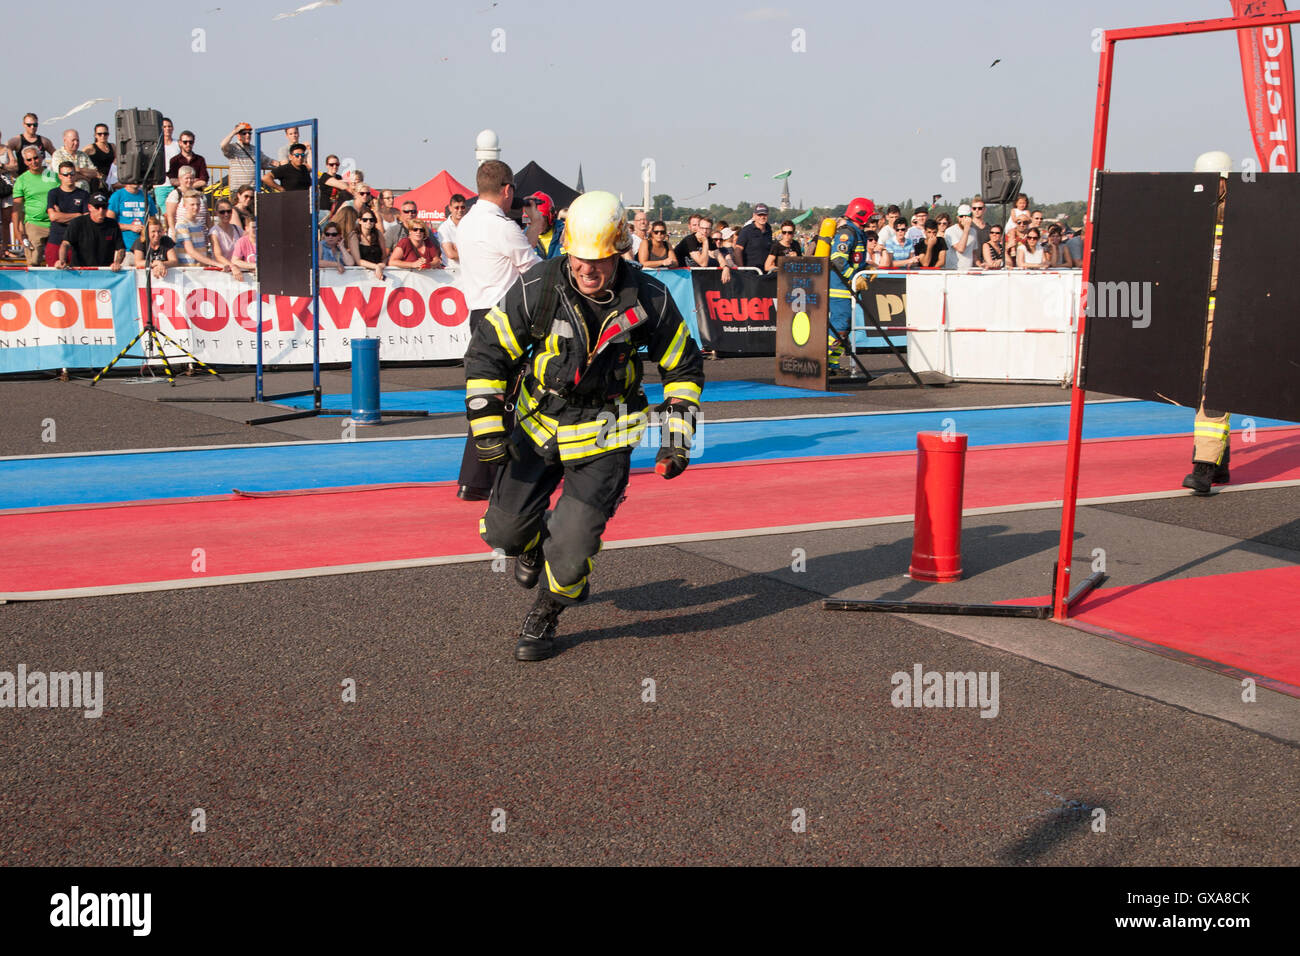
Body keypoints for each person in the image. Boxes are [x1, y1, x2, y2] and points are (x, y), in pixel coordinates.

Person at [463, 190, 704, 661]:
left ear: (618, 252)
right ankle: (532, 544)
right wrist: (488, 426)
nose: (587, 269)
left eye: (599, 260)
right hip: (538, 424)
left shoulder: (649, 297)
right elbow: (488, 351)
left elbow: (683, 368)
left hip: (605, 432)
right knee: (504, 534)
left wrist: (676, 440)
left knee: (571, 552)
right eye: (578, 259)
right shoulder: (539, 286)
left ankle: (548, 610)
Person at [454, 159, 542, 501]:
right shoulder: (502, 227)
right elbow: (533, 271)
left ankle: (476, 479)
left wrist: (528, 228)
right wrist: (535, 224)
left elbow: (516, 256)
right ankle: (492, 476)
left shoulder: (467, 223)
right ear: (507, 190)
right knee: (509, 396)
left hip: (478, 312)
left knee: (485, 395)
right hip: (504, 316)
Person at [1183, 150, 1233, 495]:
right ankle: (1220, 462)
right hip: (1197, 314)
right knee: (1208, 386)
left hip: (1227, 314)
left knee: (1213, 389)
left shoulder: (1243, 221)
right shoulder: (1192, 216)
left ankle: (1203, 469)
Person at [828, 197, 876, 376]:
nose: (873, 221)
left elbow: (855, 260)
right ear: (861, 215)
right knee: (840, 325)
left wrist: (867, 268)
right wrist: (853, 278)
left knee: (844, 328)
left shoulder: (859, 232)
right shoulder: (846, 233)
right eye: (871, 217)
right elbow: (838, 259)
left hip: (848, 288)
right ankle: (820, 363)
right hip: (839, 288)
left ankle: (832, 365)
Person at [11, 146, 56, 265]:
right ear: (25, 162)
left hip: (55, 224)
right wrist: (17, 231)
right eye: (29, 160)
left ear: (41, 157)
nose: (33, 161)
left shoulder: (53, 176)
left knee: (57, 262)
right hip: (34, 225)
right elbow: (17, 208)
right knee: (34, 262)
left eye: (36, 158)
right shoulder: (22, 180)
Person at [56, 192, 125, 270]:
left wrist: (117, 262)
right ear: (89, 207)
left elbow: (121, 248)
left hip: (104, 272)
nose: (101, 211)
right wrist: (62, 260)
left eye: (104, 207)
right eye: (97, 207)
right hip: (79, 271)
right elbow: (65, 243)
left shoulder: (113, 224)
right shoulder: (77, 223)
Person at [44, 162, 90, 266]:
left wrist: (61, 215)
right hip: (56, 240)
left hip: (76, 243)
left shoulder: (83, 194)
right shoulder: (53, 193)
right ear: (60, 176)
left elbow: (86, 220)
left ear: (76, 175)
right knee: (53, 276)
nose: (69, 177)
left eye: (72, 173)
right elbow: (53, 217)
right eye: (65, 174)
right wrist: (77, 215)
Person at [174, 190, 227, 269]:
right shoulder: (181, 225)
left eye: (198, 204)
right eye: (192, 204)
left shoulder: (199, 224)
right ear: (185, 206)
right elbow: (191, 252)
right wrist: (215, 264)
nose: (196, 207)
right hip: (188, 270)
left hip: (200, 269)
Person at [220, 123, 273, 192]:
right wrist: (234, 131)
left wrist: (284, 164)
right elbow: (223, 145)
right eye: (244, 133)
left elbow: (269, 161)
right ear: (238, 135)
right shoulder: (233, 148)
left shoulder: (255, 149)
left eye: (249, 133)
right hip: (237, 190)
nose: (247, 135)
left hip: (253, 190)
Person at [106, 179, 155, 253]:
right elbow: (108, 223)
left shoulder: (146, 196)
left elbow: (154, 221)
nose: (136, 181)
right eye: (133, 178)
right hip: (125, 248)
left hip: (145, 248)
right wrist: (130, 227)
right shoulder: (117, 196)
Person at [524, 191, 565, 259]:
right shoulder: (523, 238)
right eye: (531, 218)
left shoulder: (565, 232)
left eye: (539, 218)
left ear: (550, 217)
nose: (535, 223)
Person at [349, 210, 387, 280]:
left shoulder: (378, 234)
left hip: (379, 273)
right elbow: (358, 261)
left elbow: (384, 256)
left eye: (371, 220)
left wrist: (382, 265)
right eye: (365, 220)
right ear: (359, 221)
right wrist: (376, 266)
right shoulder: (355, 236)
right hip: (361, 276)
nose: (368, 222)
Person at [944, 204, 982, 271]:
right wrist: (966, 229)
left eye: (967, 216)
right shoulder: (950, 231)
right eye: (961, 216)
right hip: (953, 271)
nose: (964, 219)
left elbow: (973, 253)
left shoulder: (973, 231)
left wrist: (980, 265)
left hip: (968, 270)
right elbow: (960, 249)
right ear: (957, 217)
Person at [734, 203, 773, 268]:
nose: (762, 217)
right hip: (751, 271)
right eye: (759, 215)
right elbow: (738, 250)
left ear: (768, 215)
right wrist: (741, 269)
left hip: (766, 271)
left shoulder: (769, 230)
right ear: (754, 216)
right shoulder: (746, 230)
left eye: (764, 215)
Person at [208, 199, 244, 264]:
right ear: (217, 213)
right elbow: (218, 256)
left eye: (229, 211)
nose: (226, 214)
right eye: (222, 212)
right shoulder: (214, 232)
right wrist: (232, 266)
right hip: (223, 270)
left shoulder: (238, 229)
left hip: (240, 269)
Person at [84, 123, 115, 192]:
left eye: (105, 134)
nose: (103, 136)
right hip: (98, 179)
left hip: (112, 177)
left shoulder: (113, 146)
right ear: (95, 135)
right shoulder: (90, 148)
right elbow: (80, 157)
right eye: (100, 134)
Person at [437, 193, 468, 262]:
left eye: (462, 207)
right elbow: (451, 254)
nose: (460, 210)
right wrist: (472, 253)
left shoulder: (470, 225)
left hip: (469, 269)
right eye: (456, 207)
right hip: (452, 271)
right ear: (450, 208)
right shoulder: (444, 228)